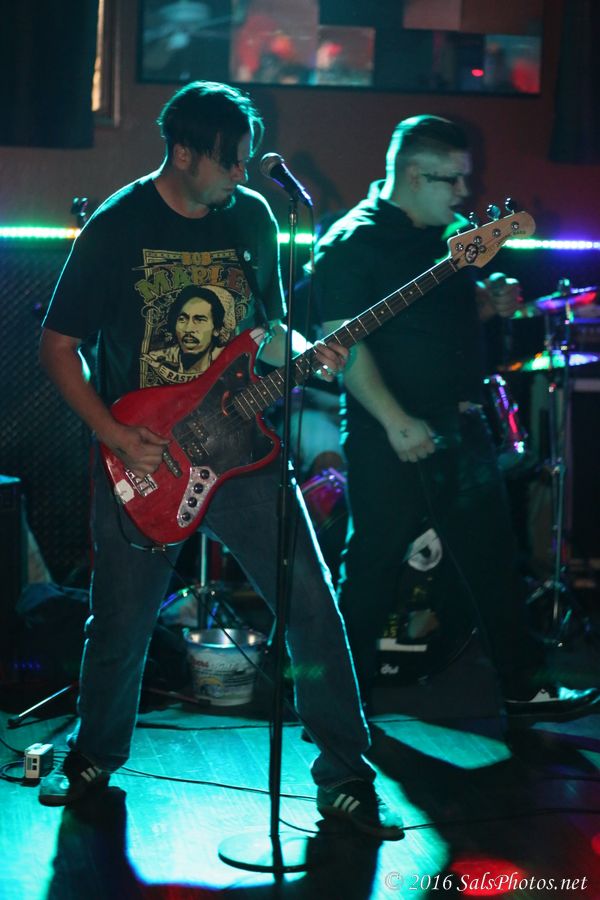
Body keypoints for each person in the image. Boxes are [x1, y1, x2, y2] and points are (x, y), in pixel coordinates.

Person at [37, 81, 403, 840]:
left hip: (246, 455)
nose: (241, 173)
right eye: (229, 161)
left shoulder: (256, 217)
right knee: (122, 622)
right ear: (183, 153)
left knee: (311, 602)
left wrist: (308, 352)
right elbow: (58, 346)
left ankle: (347, 775)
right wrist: (113, 433)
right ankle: (92, 755)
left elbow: (269, 331)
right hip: (146, 455)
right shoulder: (116, 226)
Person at [314, 114, 598, 716]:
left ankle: (525, 688)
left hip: (460, 423)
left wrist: (491, 302)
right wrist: (395, 420)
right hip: (387, 433)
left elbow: (446, 318)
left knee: (493, 560)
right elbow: (343, 344)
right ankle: (337, 709)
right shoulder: (351, 241)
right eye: (454, 179)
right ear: (416, 176)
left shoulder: (446, 235)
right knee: (372, 568)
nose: (466, 192)